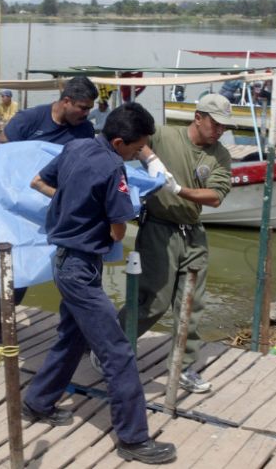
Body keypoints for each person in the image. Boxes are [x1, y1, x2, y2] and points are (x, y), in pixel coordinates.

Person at [23, 103, 176, 465]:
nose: (139, 153)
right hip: (81, 269)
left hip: (64, 261)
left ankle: (38, 402)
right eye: (137, 148)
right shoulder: (112, 168)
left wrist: (70, 205)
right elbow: (118, 230)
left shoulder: (75, 146)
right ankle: (133, 438)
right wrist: (99, 220)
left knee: (72, 336)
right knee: (117, 351)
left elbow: (38, 181)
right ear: (120, 142)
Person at [118, 94, 233, 394]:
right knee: (153, 300)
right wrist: (150, 159)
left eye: (224, 126)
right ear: (198, 117)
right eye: (215, 124)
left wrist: (178, 189)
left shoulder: (220, 155)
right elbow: (134, 139)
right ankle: (111, 346)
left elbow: (216, 196)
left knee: (191, 303)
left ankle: (182, 366)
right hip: (159, 229)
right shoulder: (165, 135)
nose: (219, 131)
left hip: (193, 233)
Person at [0, 75, 98, 342]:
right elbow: (2, 153)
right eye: (82, 107)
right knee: (19, 270)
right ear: (66, 101)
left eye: (89, 108)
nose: (86, 114)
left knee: (74, 272)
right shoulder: (29, 120)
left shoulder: (84, 130)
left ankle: (74, 334)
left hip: (58, 205)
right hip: (20, 205)